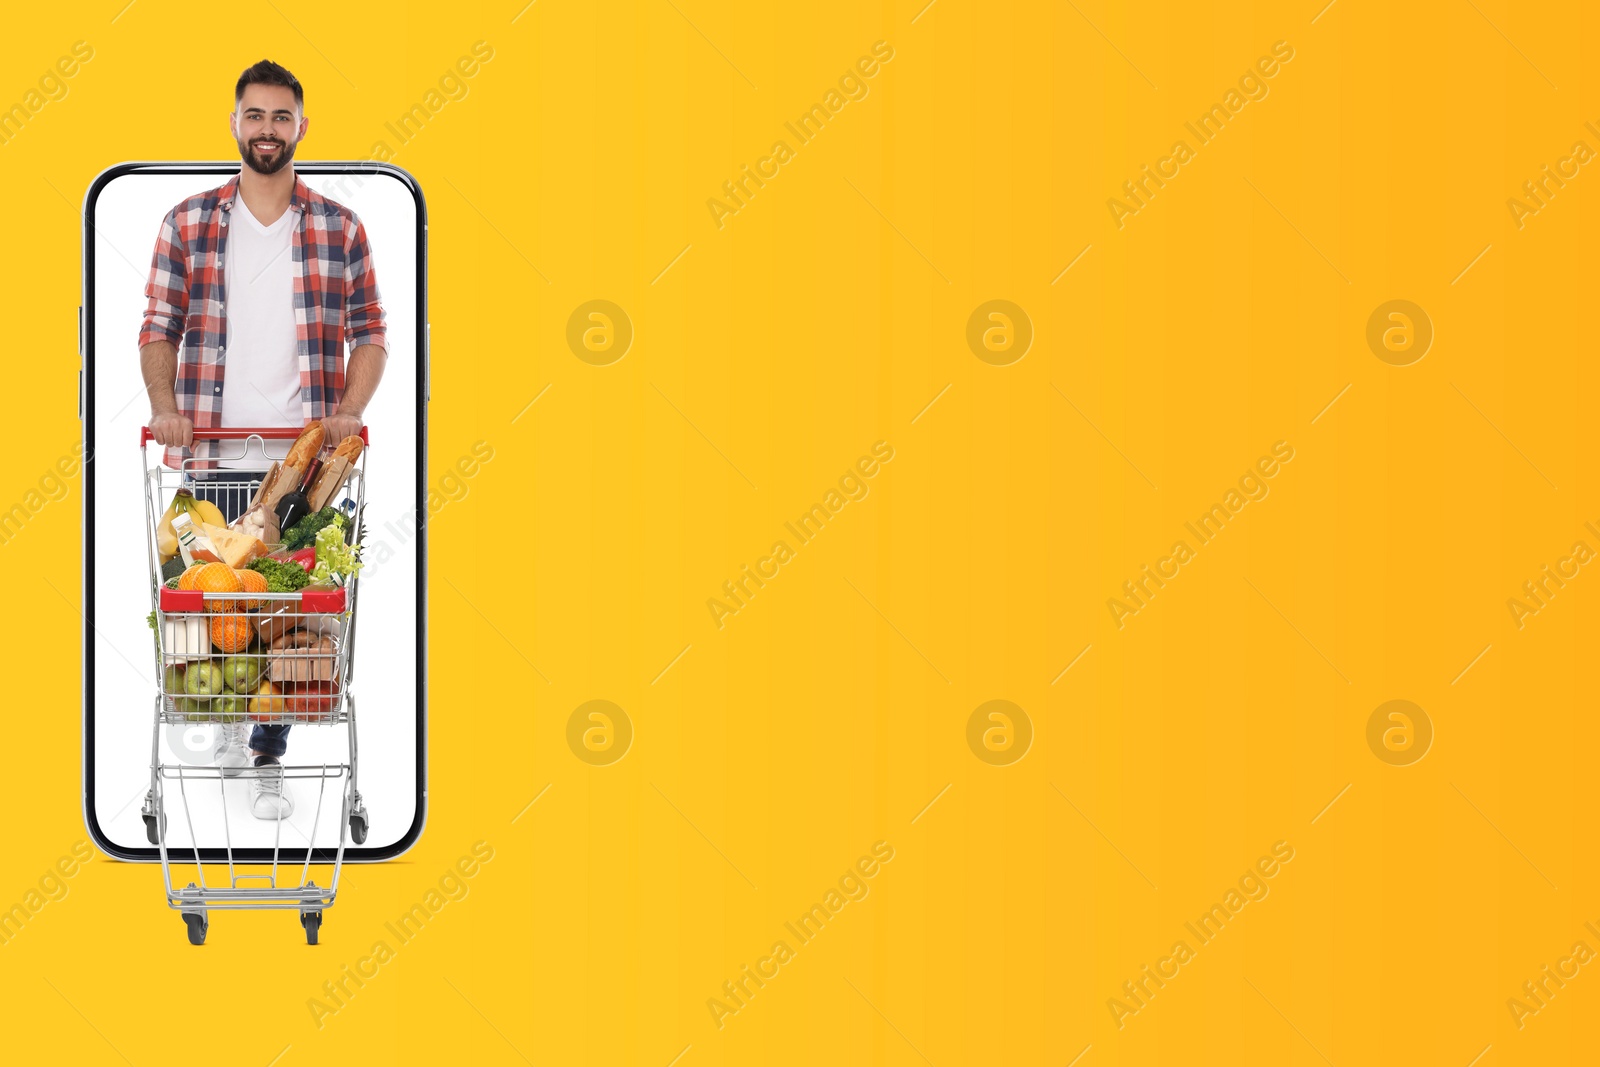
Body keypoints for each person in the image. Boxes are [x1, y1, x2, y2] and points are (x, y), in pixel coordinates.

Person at [138, 60, 387, 819]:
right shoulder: (185, 222)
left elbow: (371, 334)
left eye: (282, 117)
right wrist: (166, 405)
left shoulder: (341, 228)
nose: (268, 129)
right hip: (211, 454)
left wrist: (346, 407)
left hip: (302, 462)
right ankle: (220, 727)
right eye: (256, 115)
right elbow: (158, 328)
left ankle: (267, 756)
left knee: (289, 618)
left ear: (301, 128)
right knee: (216, 613)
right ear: (235, 123)